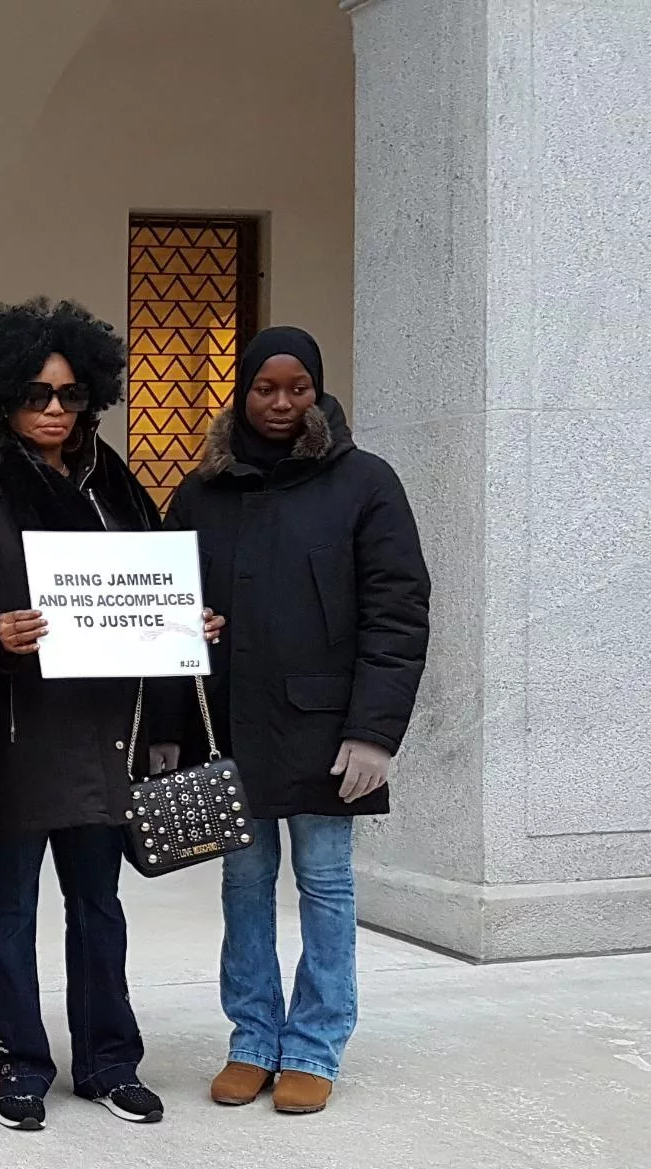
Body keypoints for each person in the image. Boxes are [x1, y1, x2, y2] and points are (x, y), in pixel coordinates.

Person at [0, 298, 222, 1133]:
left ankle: (107, 1061)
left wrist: (184, 622)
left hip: (107, 737)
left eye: (67, 394)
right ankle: (15, 1062)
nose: (53, 409)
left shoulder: (118, 486)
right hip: (21, 737)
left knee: (100, 905)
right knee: (12, 905)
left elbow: (148, 588)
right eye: (34, 394)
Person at [166, 326, 430, 1116]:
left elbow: (398, 612)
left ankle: (315, 1044)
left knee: (324, 881)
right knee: (244, 881)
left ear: (317, 391)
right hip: (233, 727)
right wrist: (187, 649)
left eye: (297, 388)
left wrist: (375, 732)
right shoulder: (201, 491)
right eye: (265, 388)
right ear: (242, 393)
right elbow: (165, 606)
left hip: (328, 728)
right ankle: (253, 1038)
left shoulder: (366, 484)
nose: (281, 403)